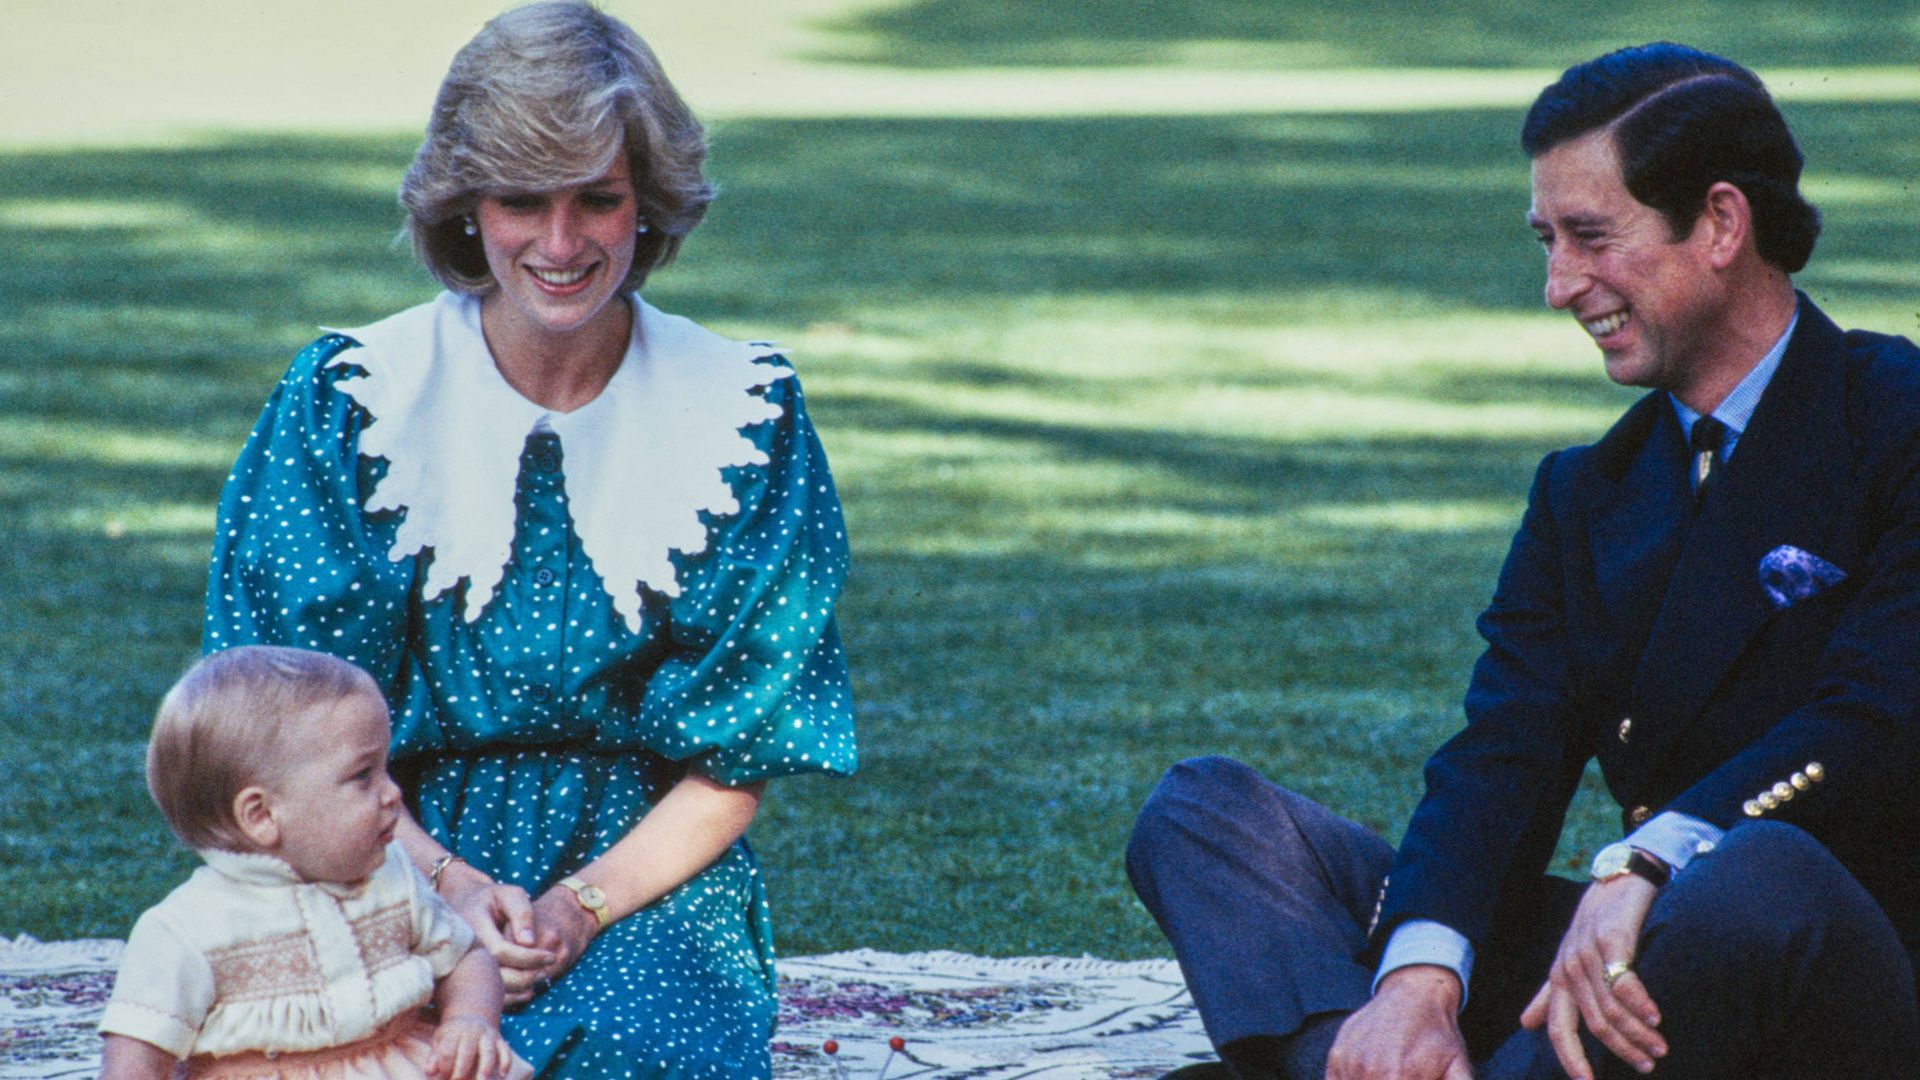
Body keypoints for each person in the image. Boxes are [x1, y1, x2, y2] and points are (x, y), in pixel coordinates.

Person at [1126, 42, 1920, 1080]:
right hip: (1638, 954)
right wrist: (1420, 983)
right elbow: (1504, 755)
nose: (1557, 288)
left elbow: (1877, 716)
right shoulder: (1584, 493)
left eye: (1591, 237)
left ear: (1722, 223)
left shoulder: (1896, 418)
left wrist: (1652, 853)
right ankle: (1357, 1060)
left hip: (1849, 975)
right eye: (1546, 240)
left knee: (1758, 871)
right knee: (1209, 815)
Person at [202, 3, 856, 1076]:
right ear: (466, 208)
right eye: (520, 201)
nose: (560, 245)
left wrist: (582, 909)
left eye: (597, 199)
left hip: (639, 868)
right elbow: (278, 718)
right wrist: (444, 884)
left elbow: (741, 755)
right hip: (364, 847)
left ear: (649, 202)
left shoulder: (745, 417)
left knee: (642, 1048)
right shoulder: (348, 400)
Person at [98, 646, 531, 1080]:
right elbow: (135, 1058)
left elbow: (465, 956)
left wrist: (469, 1020)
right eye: (363, 775)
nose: (393, 793)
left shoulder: (393, 875)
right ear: (262, 816)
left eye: (387, 769)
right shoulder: (186, 930)